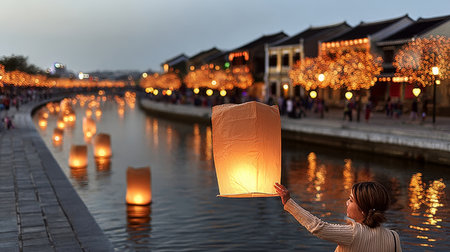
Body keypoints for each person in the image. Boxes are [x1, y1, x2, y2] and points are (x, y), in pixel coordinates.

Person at [274, 182, 401, 252]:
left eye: (351, 200)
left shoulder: (353, 234)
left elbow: (318, 227)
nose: (346, 202)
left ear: (363, 209)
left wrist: (289, 203)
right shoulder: (394, 237)